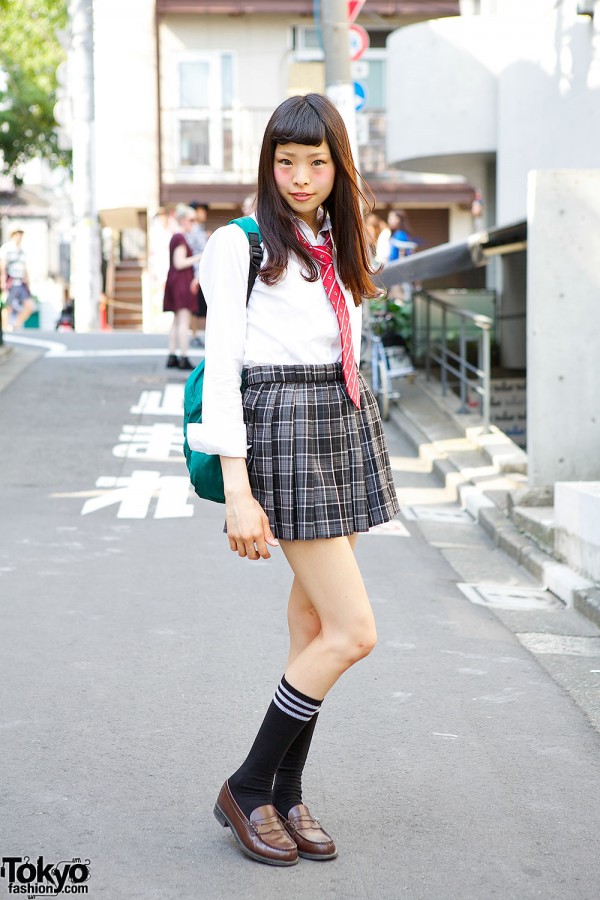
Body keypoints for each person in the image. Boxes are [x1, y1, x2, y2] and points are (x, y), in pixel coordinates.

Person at [189, 93, 400, 867]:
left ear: (338, 166)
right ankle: (247, 786)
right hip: (284, 428)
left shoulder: (327, 239)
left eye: (316, 161)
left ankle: (286, 787)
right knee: (354, 633)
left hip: (337, 419)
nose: (301, 176)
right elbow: (222, 372)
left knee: (313, 630)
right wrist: (239, 492)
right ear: (267, 163)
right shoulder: (239, 244)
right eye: (286, 161)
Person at [162, 204, 203, 370]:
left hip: (175, 280)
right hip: (181, 281)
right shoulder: (180, 238)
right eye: (191, 220)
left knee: (177, 321)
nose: (193, 224)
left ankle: (172, 355)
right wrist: (199, 257)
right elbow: (179, 263)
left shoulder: (176, 236)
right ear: (183, 220)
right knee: (183, 321)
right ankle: (183, 356)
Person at [0, 223, 35, 331]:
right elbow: (2, 265)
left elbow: (25, 267)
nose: (19, 236)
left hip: (21, 282)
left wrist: (28, 281)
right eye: (17, 233)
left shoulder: (22, 251)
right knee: (7, 306)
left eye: (20, 234)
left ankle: (15, 325)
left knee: (30, 306)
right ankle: (5, 329)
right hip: (10, 281)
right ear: (13, 235)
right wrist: (2, 280)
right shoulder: (6, 248)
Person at [188, 201, 209, 347]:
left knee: (199, 306)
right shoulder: (194, 230)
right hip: (197, 272)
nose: (204, 214)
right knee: (197, 306)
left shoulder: (198, 229)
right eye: (202, 210)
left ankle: (196, 335)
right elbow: (201, 250)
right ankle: (195, 335)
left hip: (198, 272)